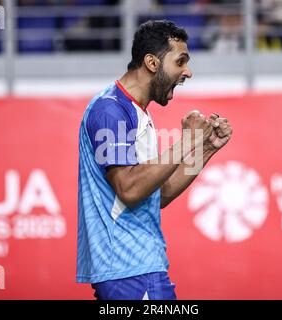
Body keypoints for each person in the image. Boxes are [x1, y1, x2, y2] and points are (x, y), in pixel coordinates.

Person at [76, 20, 232, 300]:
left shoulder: (136, 112)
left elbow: (157, 194)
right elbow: (130, 190)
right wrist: (187, 141)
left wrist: (205, 148)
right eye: (180, 61)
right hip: (128, 271)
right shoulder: (109, 110)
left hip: (139, 269)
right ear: (151, 62)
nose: (188, 72)